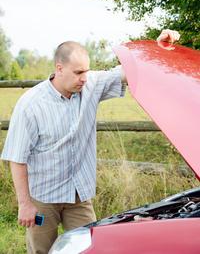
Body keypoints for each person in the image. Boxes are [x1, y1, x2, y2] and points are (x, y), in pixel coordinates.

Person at [1, 29, 179, 253]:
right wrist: (25, 204)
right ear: (59, 69)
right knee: (42, 251)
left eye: (86, 70)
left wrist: (157, 48)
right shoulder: (30, 105)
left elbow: (126, 72)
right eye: (78, 72)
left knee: (92, 247)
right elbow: (16, 158)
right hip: (43, 199)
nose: (84, 77)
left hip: (79, 196)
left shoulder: (90, 84)